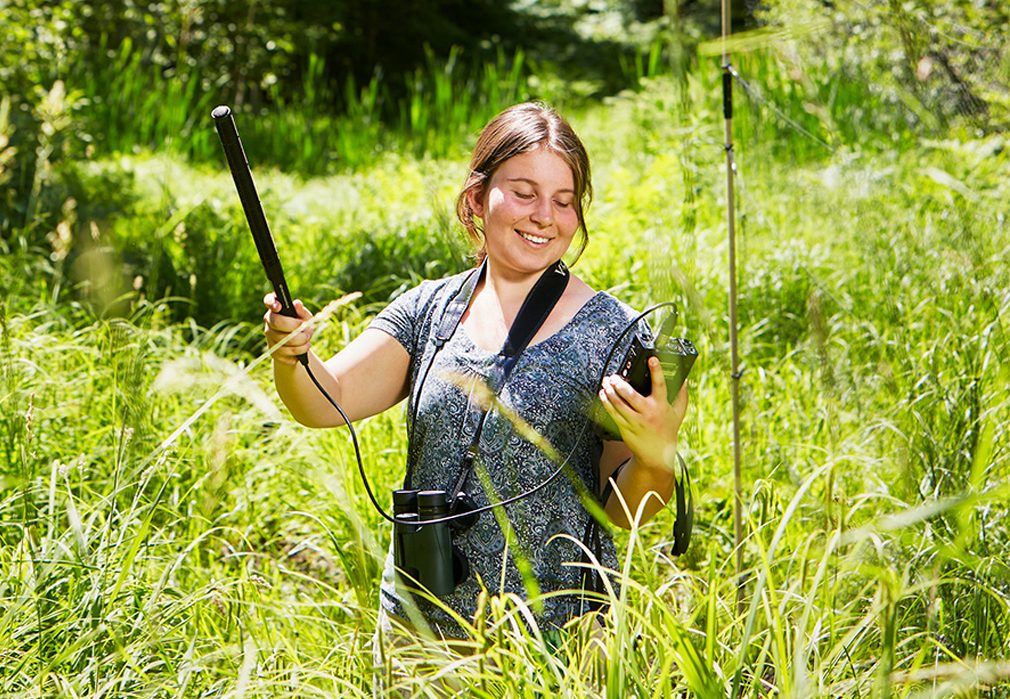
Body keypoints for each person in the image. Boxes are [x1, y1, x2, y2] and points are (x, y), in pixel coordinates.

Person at [262, 102, 689, 645]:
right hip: (414, 635)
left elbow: (622, 514)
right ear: (476, 199)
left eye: (564, 201)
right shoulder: (428, 310)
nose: (544, 216)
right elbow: (328, 400)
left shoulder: (615, 333)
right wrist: (291, 353)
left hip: (550, 644)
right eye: (525, 192)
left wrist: (657, 452)